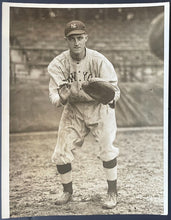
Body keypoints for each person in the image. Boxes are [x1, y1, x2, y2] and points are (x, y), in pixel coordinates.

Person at [48, 20, 120, 209]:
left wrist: (109, 97)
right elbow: (54, 97)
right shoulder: (58, 64)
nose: (76, 42)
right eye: (72, 39)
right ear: (66, 40)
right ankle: (67, 191)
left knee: (107, 148)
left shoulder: (99, 61)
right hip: (73, 109)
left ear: (86, 38)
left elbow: (115, 90)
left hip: (99, 107)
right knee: (61, 151)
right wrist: (61, 99)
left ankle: (112, 191)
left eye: (80, 38)